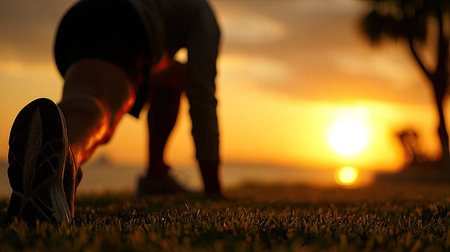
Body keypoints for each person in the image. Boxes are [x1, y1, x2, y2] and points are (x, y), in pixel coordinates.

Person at [6, 0, 222, 224]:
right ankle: (64, 168)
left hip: (79, 19)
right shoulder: (201, 12)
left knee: (173, 78)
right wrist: (213, 189)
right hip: (123, 23)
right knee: (99, 106)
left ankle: (156, 177)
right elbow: (202, 96)